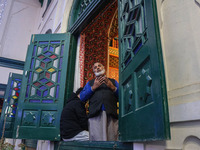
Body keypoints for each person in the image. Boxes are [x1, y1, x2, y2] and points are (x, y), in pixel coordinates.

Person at [80, 62, 119, 141]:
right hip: (95, 117)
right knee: (96, 142)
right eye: (95, 67)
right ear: (93, 71)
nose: (97, 68)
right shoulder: (90, 83)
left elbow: (122, 97)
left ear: (103, 68)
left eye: (99, 66)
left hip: (111, 116)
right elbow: (82, 97)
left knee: (111, 141)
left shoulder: (113, 82)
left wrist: (112, 87)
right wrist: (93, 88)